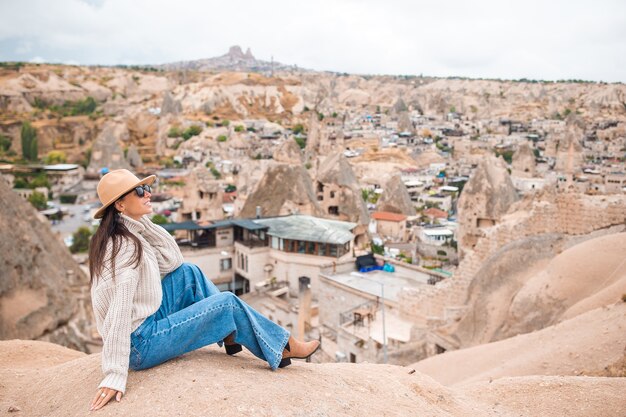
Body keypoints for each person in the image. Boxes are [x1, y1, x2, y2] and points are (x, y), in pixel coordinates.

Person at [88, 169, 320, 411]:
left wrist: (142, 223)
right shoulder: (124, 248)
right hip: (139, 344)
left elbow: (173, 262)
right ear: (120, 205)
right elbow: (118, 311)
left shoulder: (128, 233)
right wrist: (114, 373)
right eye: (139, 191)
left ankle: (230, 333)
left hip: (146, 321)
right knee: (227, 303)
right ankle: (281, 346)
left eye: (146, 188)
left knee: (189, 272)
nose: (148, 194)